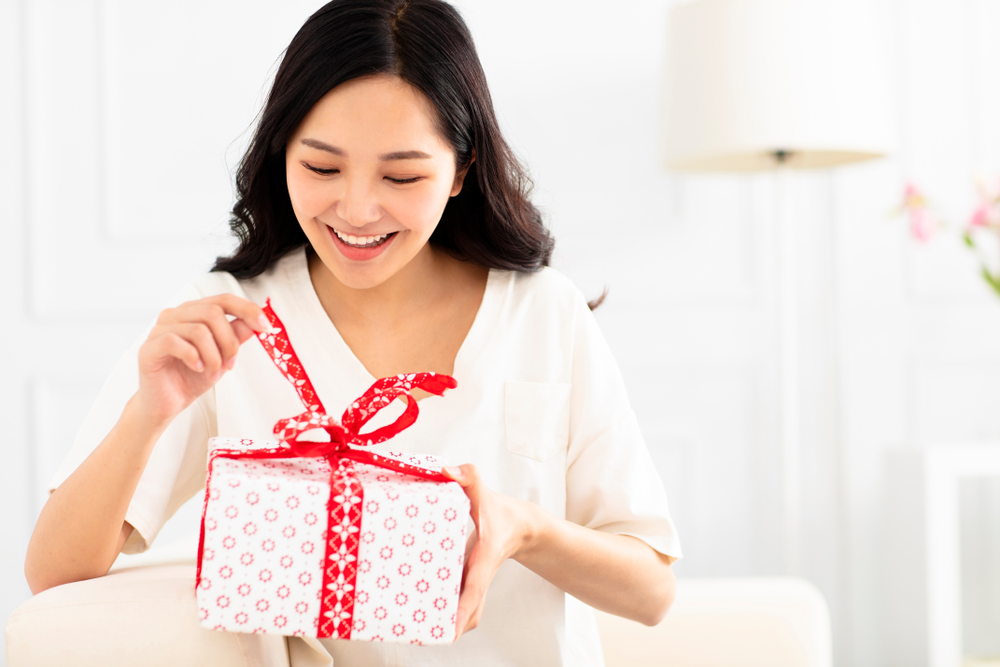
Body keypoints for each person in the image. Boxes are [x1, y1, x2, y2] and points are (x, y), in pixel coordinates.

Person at [25, 0, 682, 664]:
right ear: (282, 154)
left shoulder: (542, 312)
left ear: (460, 169)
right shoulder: (229, 321)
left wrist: (527, 529)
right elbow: (51, 570)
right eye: (321, 168)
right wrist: (148, 412)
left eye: (401, 175)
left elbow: (651, 589)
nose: (358, 209)